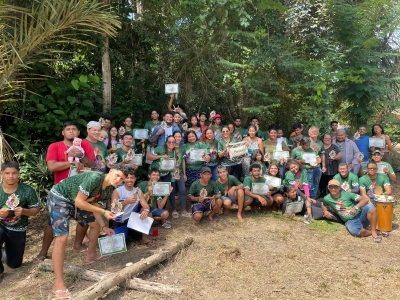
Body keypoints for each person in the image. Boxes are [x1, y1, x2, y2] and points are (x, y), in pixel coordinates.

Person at [48, 165, 129, 298]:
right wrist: (104, 212)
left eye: (122, 179)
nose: (118, 180)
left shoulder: (109, 190)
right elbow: (80, 202)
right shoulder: (95, 177)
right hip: (60, 197)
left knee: (96, 225)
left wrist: (104, 226)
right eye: (117, 175)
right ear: (111, 171)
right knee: (62, 237)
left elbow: (94, 205)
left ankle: (90, 255)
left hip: (77, 200)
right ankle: (58, 283)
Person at [35, 121, 95, 263]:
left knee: (84, 218)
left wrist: (80, 156)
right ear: (63, 132)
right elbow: (52, 166)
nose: (71, 131)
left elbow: (92, 165)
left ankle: (78, 245)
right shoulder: (55, 146)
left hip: (81, 189)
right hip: (60, 193)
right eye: (68, 129)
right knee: (51, 222)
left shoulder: (86, 145)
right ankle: (43, 252)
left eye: (74, 129)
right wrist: (72, 163)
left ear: (79, 133)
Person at [0, 161, 40, 280]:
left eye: (14, 173)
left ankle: (4, 252)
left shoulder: (27, 190)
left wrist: (23, 211)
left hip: (18, 229)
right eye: (7, 173)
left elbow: (36, 210)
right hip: (1, 226)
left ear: (18, 173)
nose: (10, 176)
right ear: (2, 174)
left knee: (14, 264)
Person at [322, 179, 384, 243]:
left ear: (339, 188)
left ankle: (373, 231)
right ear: (328, 188)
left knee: (370, 207)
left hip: (360, 215)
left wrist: (356, 207)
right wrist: (325, 211)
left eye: (335, 187)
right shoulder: (327, 198)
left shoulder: (347, 194)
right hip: (350, 221)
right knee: (355, 231)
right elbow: (323, 205)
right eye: (331, 187)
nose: (333, 189)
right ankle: (375, 232)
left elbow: (365, 199)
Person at [108, 168, 155, 246]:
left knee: (148, 213)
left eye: (132, 178)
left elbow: (145, 205)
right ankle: (126, 234)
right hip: (119, 221)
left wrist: (146, 210)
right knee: (116, 244)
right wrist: (126, 202)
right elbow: (114, 209)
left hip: (132, 220)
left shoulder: (137, 191)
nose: (129, 180)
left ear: (135, 179)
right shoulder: (117, 191)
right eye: (127, 178)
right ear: (124, 179)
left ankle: (144, 239)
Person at [147, 135, 181, 218]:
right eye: (169, 142)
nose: (171, 143)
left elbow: (175, 166)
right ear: (166, 142)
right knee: (152, 191)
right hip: (155, 175)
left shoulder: (175, 152)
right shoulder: (160, 148)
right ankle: (148, 210)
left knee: (165, 191)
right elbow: (149, 157)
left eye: (173, 142)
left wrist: (176, 175)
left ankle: (161, 212)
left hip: (166, 174)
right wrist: (161, 156)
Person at [172, 131, 191, 217]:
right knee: (172, 191)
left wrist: (184, 174)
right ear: (173, 137)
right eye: (176, 136)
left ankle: (183, 210)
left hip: (179, 172)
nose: (177, 138)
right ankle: (174, 210)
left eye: (179, 136)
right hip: (171, 173)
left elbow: (183, 161)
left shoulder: (182, 148)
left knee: (183, 190)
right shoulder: (169, 147)